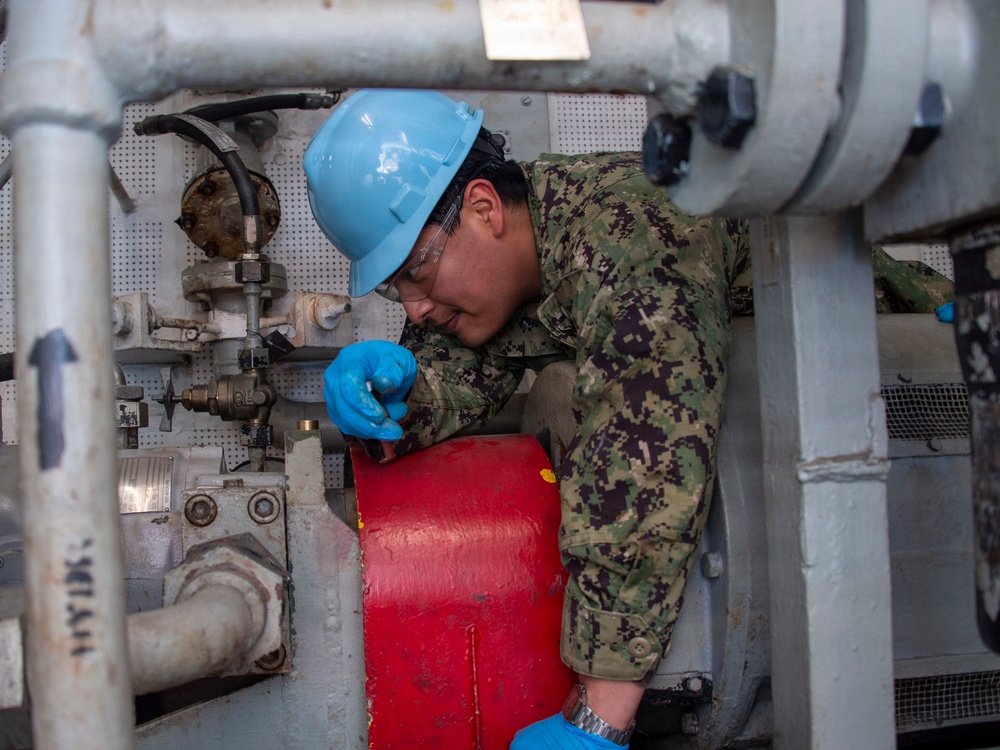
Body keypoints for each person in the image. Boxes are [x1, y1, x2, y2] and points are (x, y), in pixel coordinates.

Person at [304, 89, 957, 747]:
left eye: (416, 269)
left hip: (925, 388)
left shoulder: (634, 233)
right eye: (394, 288)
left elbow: (647, 444)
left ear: (484, 208)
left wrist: (597, 718)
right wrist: (392, 402)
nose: (413, 309)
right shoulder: (509, 273)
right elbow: (463, 370)